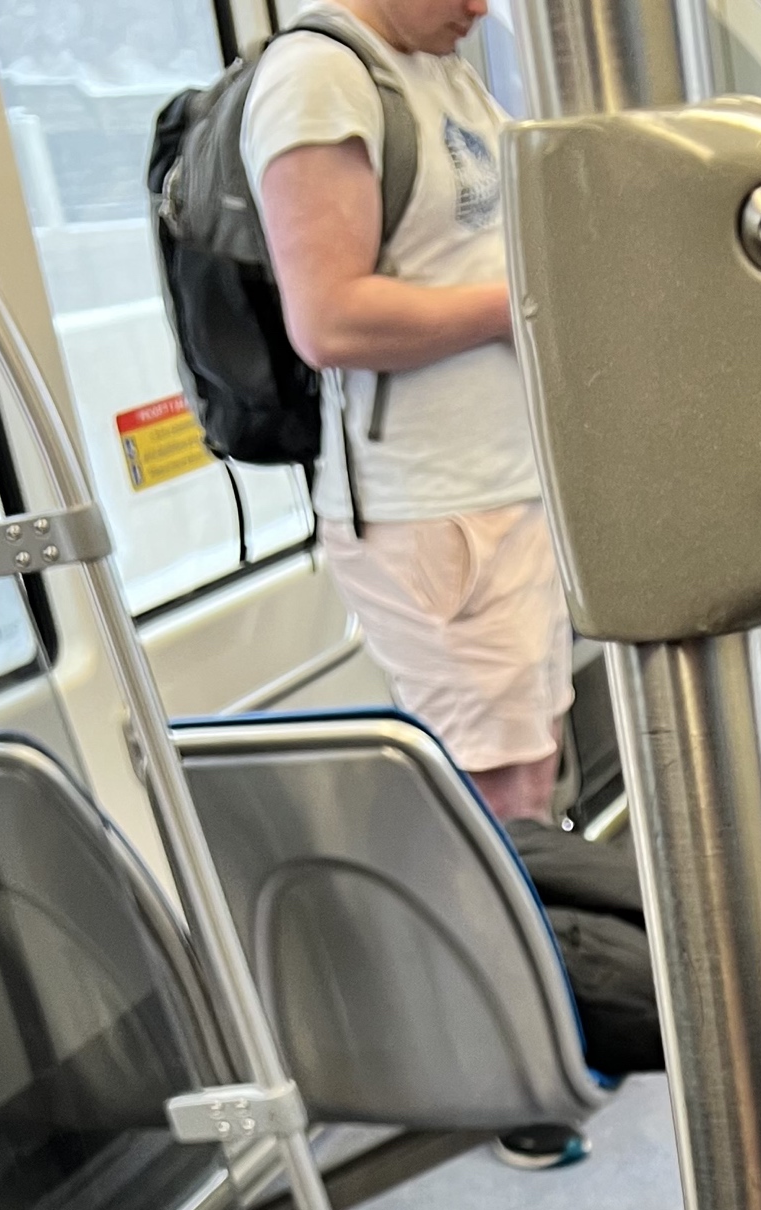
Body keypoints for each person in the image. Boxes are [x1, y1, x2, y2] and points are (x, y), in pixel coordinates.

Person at [240, 0, 573, 826]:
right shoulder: (321, 78)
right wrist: (520, 305)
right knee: (501, 795)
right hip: (436, 508)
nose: (480, 7)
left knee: (531, 769)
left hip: (504, 486)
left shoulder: (438, 68)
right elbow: (330, 320)